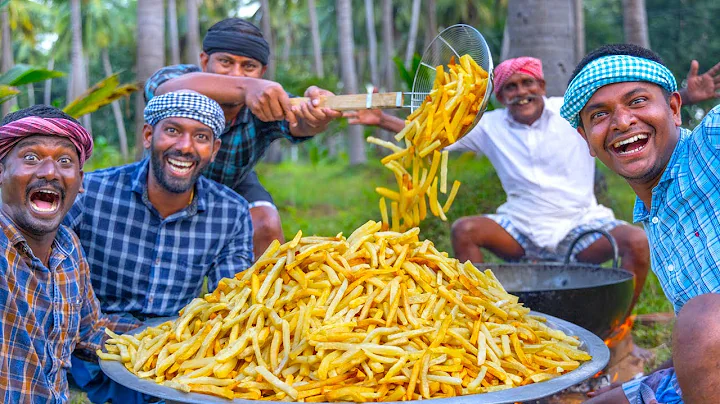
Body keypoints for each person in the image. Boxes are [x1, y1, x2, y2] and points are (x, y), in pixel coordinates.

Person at [65, 91, 254, 403]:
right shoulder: (91, 194)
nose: (185, 146)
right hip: (90, 345)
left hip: (173, 351)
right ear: (149, 135)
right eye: (173, 131)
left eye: (201, 137)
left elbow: (232, 301)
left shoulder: (230, 211)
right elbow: (50, 279)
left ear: (214, 149)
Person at [561, 44, 720, 404]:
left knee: (702, 317)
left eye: (637, 102)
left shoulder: (711, 145)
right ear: (586, 139)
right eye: (599, 115)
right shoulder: (651, 214)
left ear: (675, 109)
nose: (621, 122)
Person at [145, 18, 342, 258]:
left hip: (233, 182)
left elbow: (298, 123)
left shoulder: (266, 103)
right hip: (169, 180)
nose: (236, 73)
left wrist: (315, 117)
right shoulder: (181, 78)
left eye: (248, 66)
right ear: (204, 61)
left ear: (263, 72)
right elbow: (163, 89)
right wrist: (246, 86)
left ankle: (268, 293)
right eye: (226, 62)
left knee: (266, 223)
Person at [0, 105, 139, 403]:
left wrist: (176, 335)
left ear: (80, 181)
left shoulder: (69, 248)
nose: (49, 172)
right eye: (31, 157)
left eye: (64, 160)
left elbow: (91, 333)